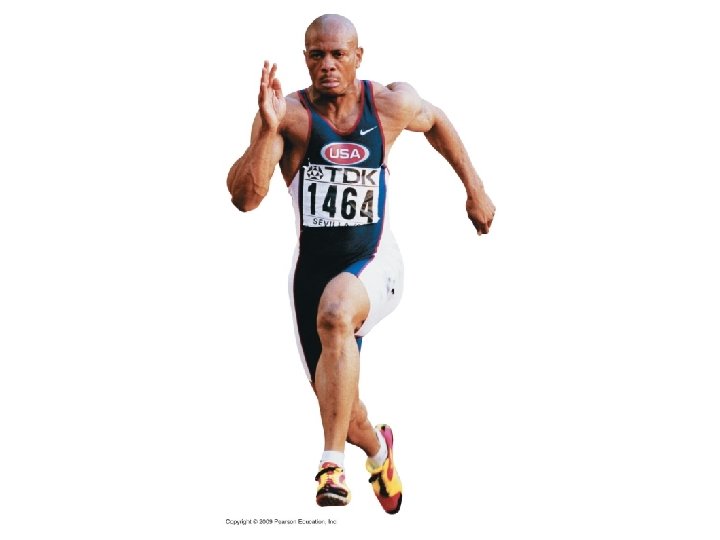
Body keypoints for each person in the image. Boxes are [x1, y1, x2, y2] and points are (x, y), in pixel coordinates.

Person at [226, 14, 495, 514]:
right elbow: (245, 198)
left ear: (358, 57)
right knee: (346, 416)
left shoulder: (389, 104)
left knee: (336, 311)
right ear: (305, 58)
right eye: (317, 55)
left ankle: (330, 466)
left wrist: (474, 190)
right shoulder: (288, 115)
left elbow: (437, 121)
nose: (327, 65)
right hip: (311, 274)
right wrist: (266, 132)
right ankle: (378, 453)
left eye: (338, 54)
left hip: (374, 261)